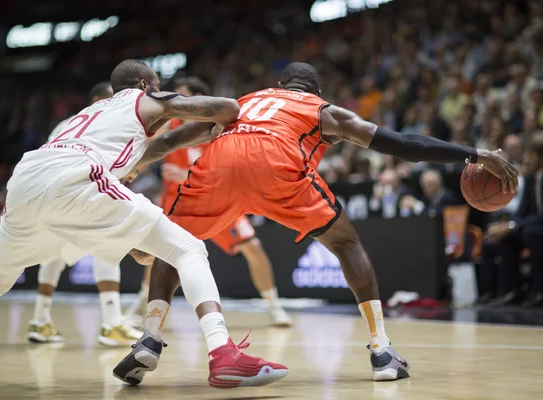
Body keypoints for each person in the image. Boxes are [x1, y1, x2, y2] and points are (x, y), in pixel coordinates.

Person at [116, 62, 518, 382]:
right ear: (316, 93)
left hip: (223, 159)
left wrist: (128, 166)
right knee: (346, 244)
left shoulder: (245, 100)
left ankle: (150, 339)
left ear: (280, 84)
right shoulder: (322, 110)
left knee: (174, 244)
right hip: (277, 164)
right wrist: (473, 153)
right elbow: (404, 146)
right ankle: (381, 352)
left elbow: (170, 142)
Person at [0, 60, 288, 389]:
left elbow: (166, 143)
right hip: (75, 176)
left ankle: (148, 340)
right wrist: (239, 111)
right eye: (157, 86)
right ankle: (223, 353)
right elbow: (226, 107)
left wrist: (137, 242)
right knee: (189, 249)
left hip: (27, 179)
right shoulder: (144, 98)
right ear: (144, 85)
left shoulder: (94, 113)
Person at [126, 77, 292, 328]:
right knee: (158, 255)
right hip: (177, 203)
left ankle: (274, 306)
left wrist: (191, 175)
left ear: (200, 100)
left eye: (182, 95)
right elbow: (145, 146)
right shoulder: (169, 122)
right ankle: (140, 307)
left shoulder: (219, 127)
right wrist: (131, 167)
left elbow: (231, 166)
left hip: (216, 198)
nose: (176, 100)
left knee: (253, 247)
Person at [27, 82, 144, 346]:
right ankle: (112, 323)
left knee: (54, 257)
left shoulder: (66, 123)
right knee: (108, 245)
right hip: (79, 193)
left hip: (50, 197)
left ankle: (39, 320)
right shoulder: (104, 124)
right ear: (96, 100)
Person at [484, 133, 543, 307]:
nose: (526, 160)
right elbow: (522, 211)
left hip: (537, 227)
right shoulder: (531, 178)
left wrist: (512, 225)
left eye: (530, 156)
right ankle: (512, 291)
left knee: (530, 235)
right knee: (503, 239)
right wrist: (505, 226)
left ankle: (538, 291)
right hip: (531, 226)